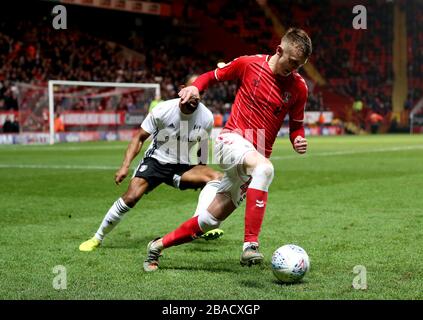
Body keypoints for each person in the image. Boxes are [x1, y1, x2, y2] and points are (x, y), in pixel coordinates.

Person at [143, 27, 311, 272]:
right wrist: (195, 88)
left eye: (300, 65)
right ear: (279, 50)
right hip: (231, 141)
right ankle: (250, 246)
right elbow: (212, 76)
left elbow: (297, 125)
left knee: (209, 221)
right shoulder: (249, 64)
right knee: (265, 169)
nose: (294, 68)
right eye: (292, 62)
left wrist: (298, 139)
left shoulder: (298, 87)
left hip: (253, 157)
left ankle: (156, 247)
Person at [79, 82, 224, 252]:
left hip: (181, 166)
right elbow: (139, 138)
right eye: (193, 92)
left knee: (216, 177)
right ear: (182, 90)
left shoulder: (206, 116)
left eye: (200, 93)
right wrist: (125, 166)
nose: (196, 96)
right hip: (156, 161)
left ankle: (199, 224)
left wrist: (201, 169)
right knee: (131, 197)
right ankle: (97, 238)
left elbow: (204, 145)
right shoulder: (163, 110)